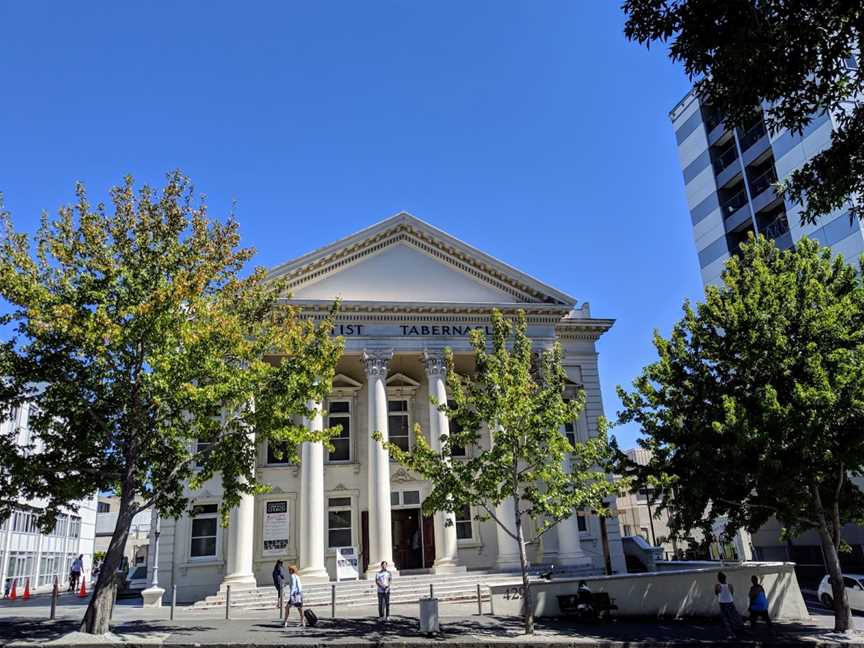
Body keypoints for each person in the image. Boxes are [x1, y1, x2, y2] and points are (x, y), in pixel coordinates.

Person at [714, 571, 742, 639]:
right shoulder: (730, 585)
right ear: (725, 578)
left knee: (726, 618)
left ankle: (731, 634)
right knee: (733, 616)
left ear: (718, 579)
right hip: (730, 602)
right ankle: (738, 629)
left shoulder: (717, 586)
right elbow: (732, 593)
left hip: (723, 603)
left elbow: (716, 593)